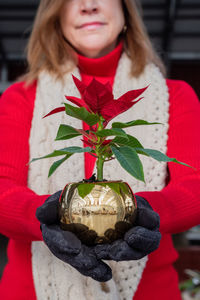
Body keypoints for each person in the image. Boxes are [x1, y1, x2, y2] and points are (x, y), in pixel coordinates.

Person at [0, 0, 200, 299]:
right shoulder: (20, 98)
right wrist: (43, 218)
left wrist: (143, 214)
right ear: (55, 16)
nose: (88, 5)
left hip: (148, 291)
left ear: (125, 11)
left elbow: (194, 185)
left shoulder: (176, 96)